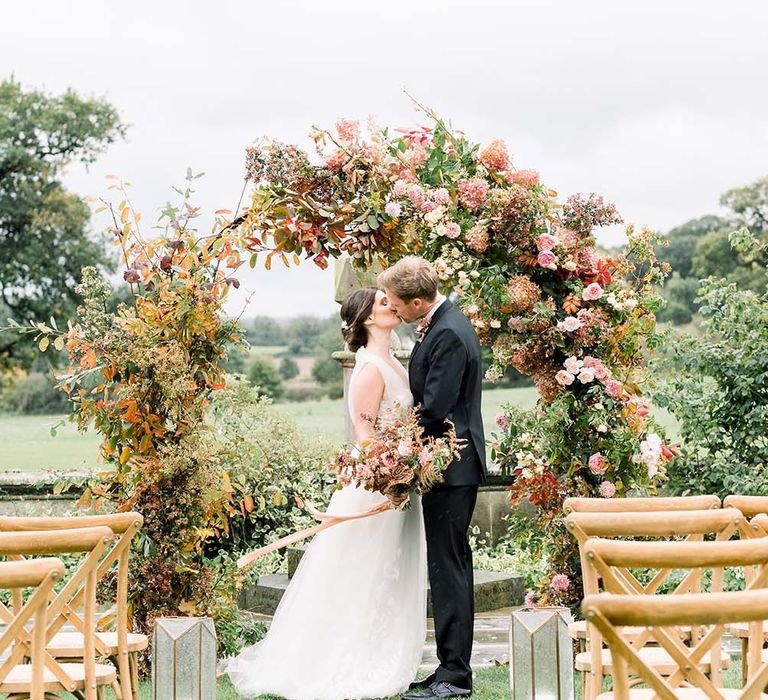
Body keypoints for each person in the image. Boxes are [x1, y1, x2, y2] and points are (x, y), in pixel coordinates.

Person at [227, 287, 427, 700]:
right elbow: (366, 433)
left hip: (396, 480)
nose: (393, 305)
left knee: (388, 568)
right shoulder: (369, 367)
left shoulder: (392, 361)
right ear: (369, 318)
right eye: (384, 302)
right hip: (374, 484)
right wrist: (393, 479)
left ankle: (378, 647)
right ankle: (341, 657)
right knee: (358, 569)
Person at [379, 256, 487, 700]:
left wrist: (394, 453)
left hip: (451, 467)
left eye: (396, 303)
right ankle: (448, 668)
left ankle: (455, 677)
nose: (392, 308)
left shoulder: (448, 332)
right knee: (447, 568)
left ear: (418, 301)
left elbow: (435, 410)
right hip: (447, 466)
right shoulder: (441, 322)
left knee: (450, 571)